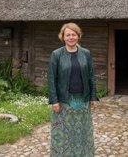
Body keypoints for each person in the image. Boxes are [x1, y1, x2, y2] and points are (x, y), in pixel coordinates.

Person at [48, 22, 99, 157]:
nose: (71, 37)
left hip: (82, 100)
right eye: (68, 35)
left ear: (78, 36)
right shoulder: (56, 54)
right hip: (64, 101)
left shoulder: (86, 54)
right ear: (63, 37)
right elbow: (52, 78)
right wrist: (54, 100)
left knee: (82, 131)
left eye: (74, 34)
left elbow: (91, 76)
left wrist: (93, 96)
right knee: (63, 131)